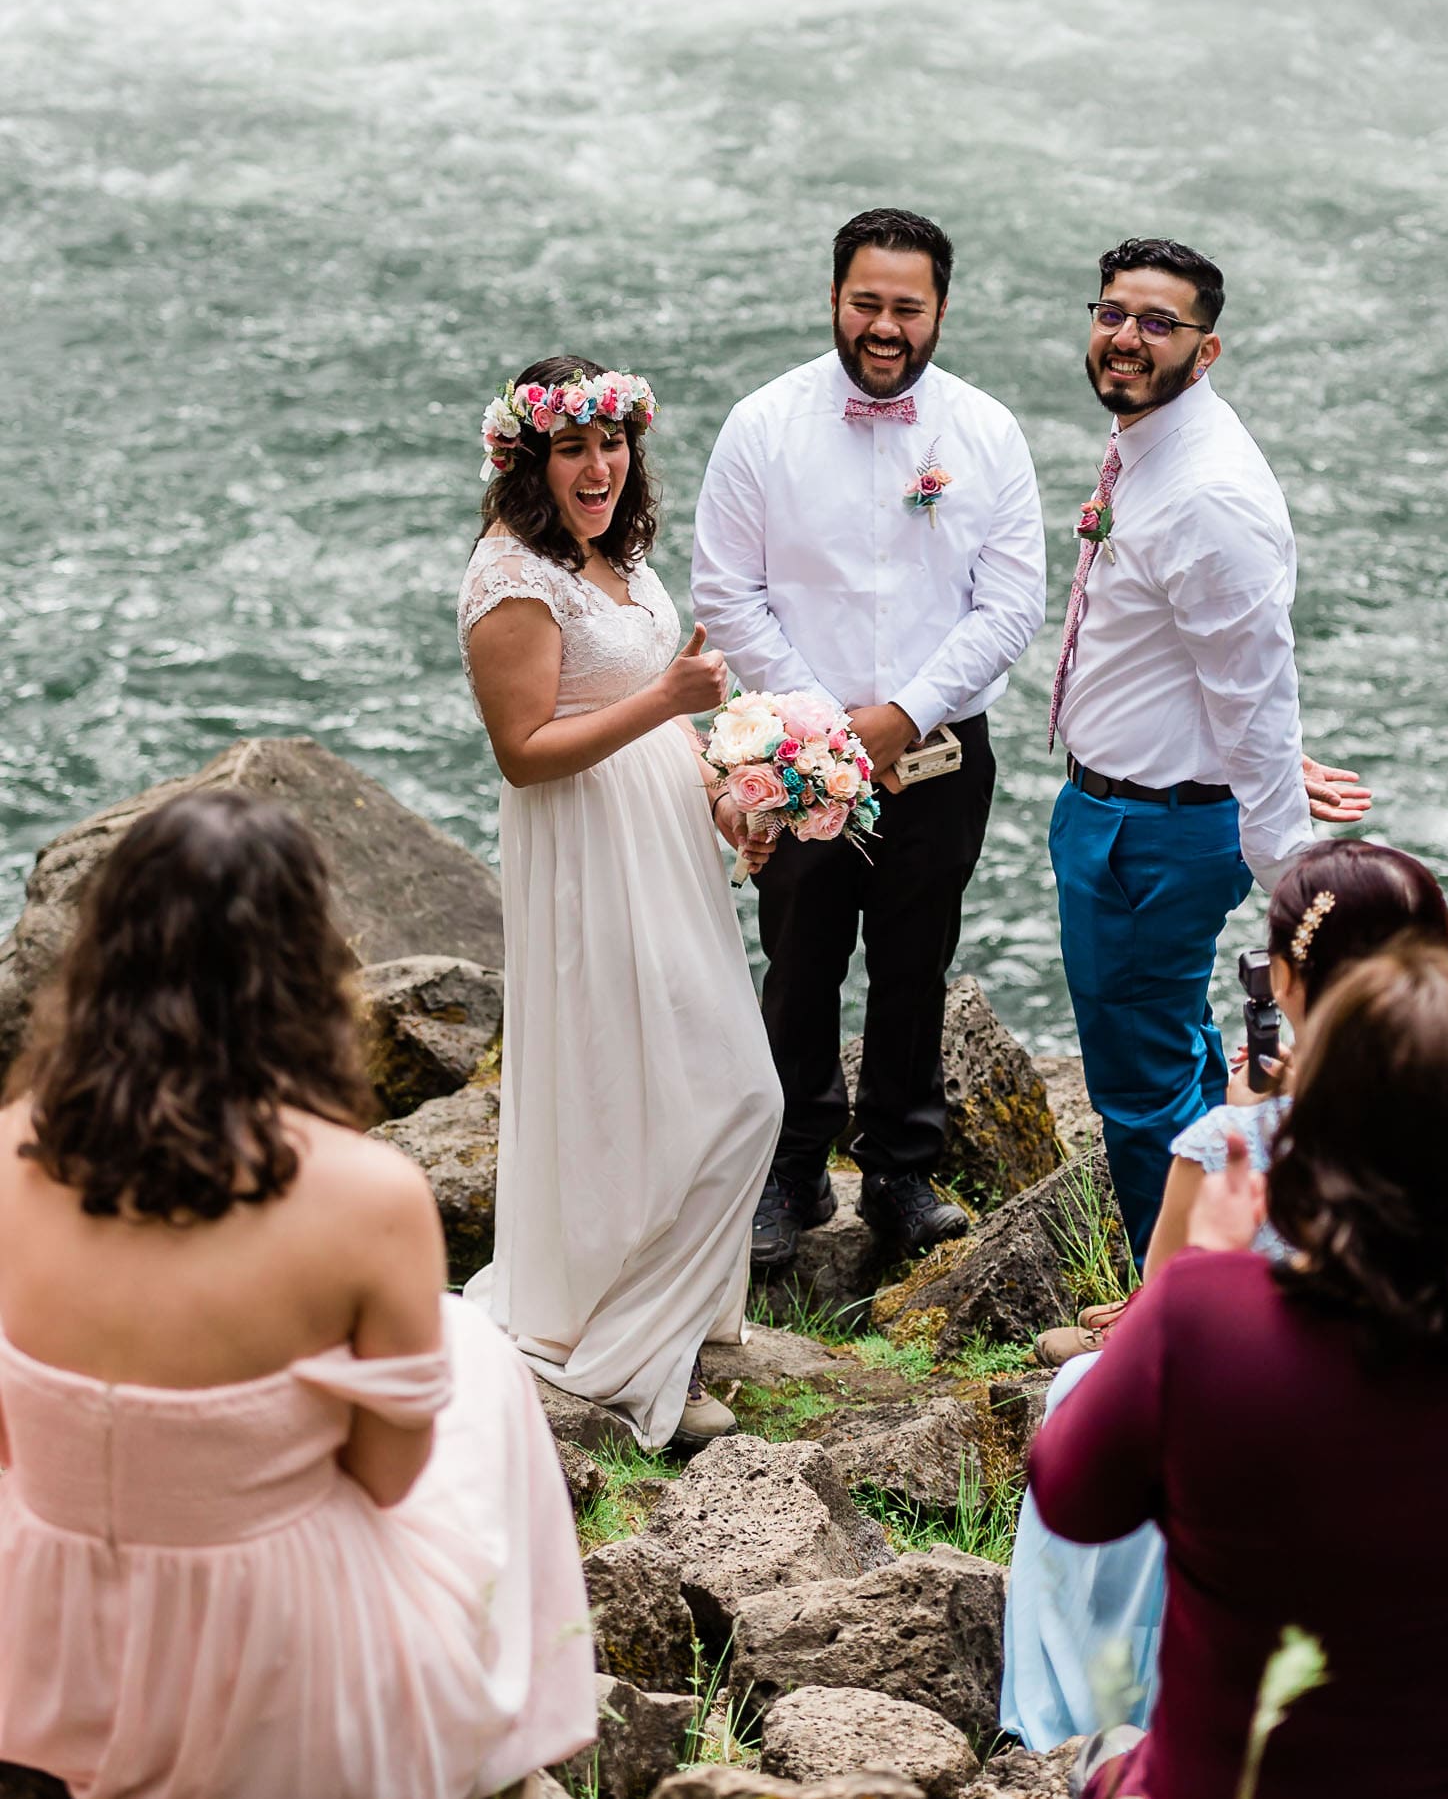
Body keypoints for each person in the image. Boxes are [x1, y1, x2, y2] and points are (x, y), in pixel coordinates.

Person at [0, 791, 594, 1799]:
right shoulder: (366, 1195)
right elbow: (387, 1475)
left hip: (46, 1627)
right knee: (482, 1353)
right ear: (302, 970)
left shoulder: (13, 1145)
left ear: (104, 955)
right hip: (273, 1647)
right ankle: (504, 1750)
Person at [1028, 945, 1448, 1799]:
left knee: (1113, 1748)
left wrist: (1199, 1268)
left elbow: (1072, 1495)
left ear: (1312, 1136)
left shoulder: (1205, 1319)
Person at [1001, 840, 1448, 1754]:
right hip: (1427, 1415)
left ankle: (1083, 1714)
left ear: (1285, 981)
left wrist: (1252, 1116)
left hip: (1264, 1439)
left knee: (1077, 1394)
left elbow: (1161, 1344)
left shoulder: (1228, 1142)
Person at [692, 207, 1047, 1267]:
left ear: (939, 308)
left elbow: (1011, 603)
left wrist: (901, 713)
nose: (883, 325)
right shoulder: (760, 424)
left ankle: (899, 1167)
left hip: (937, 747)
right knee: (798, 958)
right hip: (794, 748)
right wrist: (828, 728)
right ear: (833, 298)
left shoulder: (985, 430)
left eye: (906, 305)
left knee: (913, 959)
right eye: (865, 302)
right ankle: (792, 1167)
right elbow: (726, 589)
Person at [459, 355, 783, 1448]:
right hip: (587, 857)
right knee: (700, 1092)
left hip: (664, 846)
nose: (599, 464)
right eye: (572, 446)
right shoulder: (512, 577)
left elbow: (674, 724)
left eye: (612, 443)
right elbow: (523, 751)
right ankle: (632, 1346)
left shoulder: (615, 556)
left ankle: (668, 1319)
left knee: (690, 1090)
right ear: (527, 458)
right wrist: (664, 698)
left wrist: (728, 797)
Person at [1048, 235, 1370, 1268]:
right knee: (1178, 1054)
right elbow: (1208, 667)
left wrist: (1290, 880)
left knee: (1139, 1092)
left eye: (1156, 323)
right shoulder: (1148, 447)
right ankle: (1232, 1266)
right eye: (1111, 312)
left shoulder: (1204, 492)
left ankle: (1167, 1312)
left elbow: (1253, 685)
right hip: (1129, 810)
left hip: (1150, 832)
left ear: (1207, 347)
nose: (1125, 337)